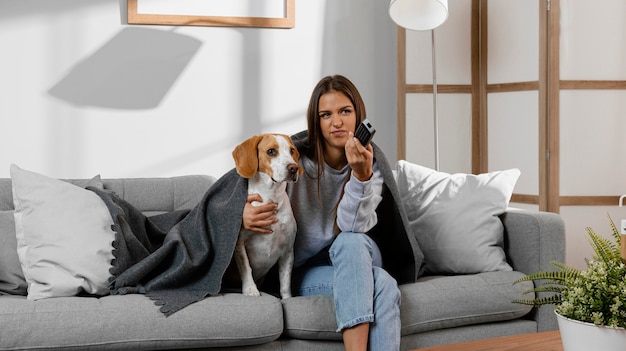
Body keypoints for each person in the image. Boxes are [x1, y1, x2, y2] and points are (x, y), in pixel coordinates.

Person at [242, 74, 421, 351]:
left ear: (358, 114)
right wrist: (241, 214)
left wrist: (360, 177)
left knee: (349, 241)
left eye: (345, 112)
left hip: (357, 253)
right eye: (326, 115)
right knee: (383, 283)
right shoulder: (294, 160)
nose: (336, 122)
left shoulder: (371, 164)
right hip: (309, 268)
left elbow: (351, 227)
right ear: (317, 122)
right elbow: (240, 184)